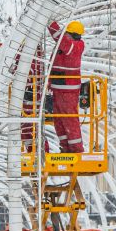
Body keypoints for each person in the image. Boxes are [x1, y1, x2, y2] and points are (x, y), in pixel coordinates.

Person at [47, 20, 85, 154]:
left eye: (68, 34)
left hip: (68, 89)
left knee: (69, 119)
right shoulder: (65, 44)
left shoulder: (76, 46)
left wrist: (51, 24)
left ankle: (76, 150)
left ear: (74, 35)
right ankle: (65, 147)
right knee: (59, 119)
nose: (66, 36)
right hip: (58, 88)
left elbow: (62, 40)